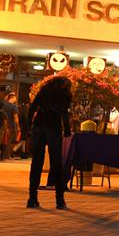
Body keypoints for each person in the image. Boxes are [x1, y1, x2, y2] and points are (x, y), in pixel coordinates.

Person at [27, 76, 72, 210]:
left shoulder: (44, 90)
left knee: (36, 163)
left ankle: (32, 198)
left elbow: (33, 107)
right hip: (53, 128)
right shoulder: (65, 94)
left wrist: (29, 126)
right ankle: (59, 200)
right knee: (56, 163)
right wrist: (67, 129)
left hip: (39, 127)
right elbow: (64, 113)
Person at [0, 92, 20, 161]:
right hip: (11, 126)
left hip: (2, 125)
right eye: (15, 97)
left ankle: (0, 155)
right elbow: (16, 118)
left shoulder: (3, 104)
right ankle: (6, 155)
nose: (16, 99)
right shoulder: (14, 106)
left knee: (3, 140)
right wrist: (18, 127)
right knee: (9, 141)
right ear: (12, 97)